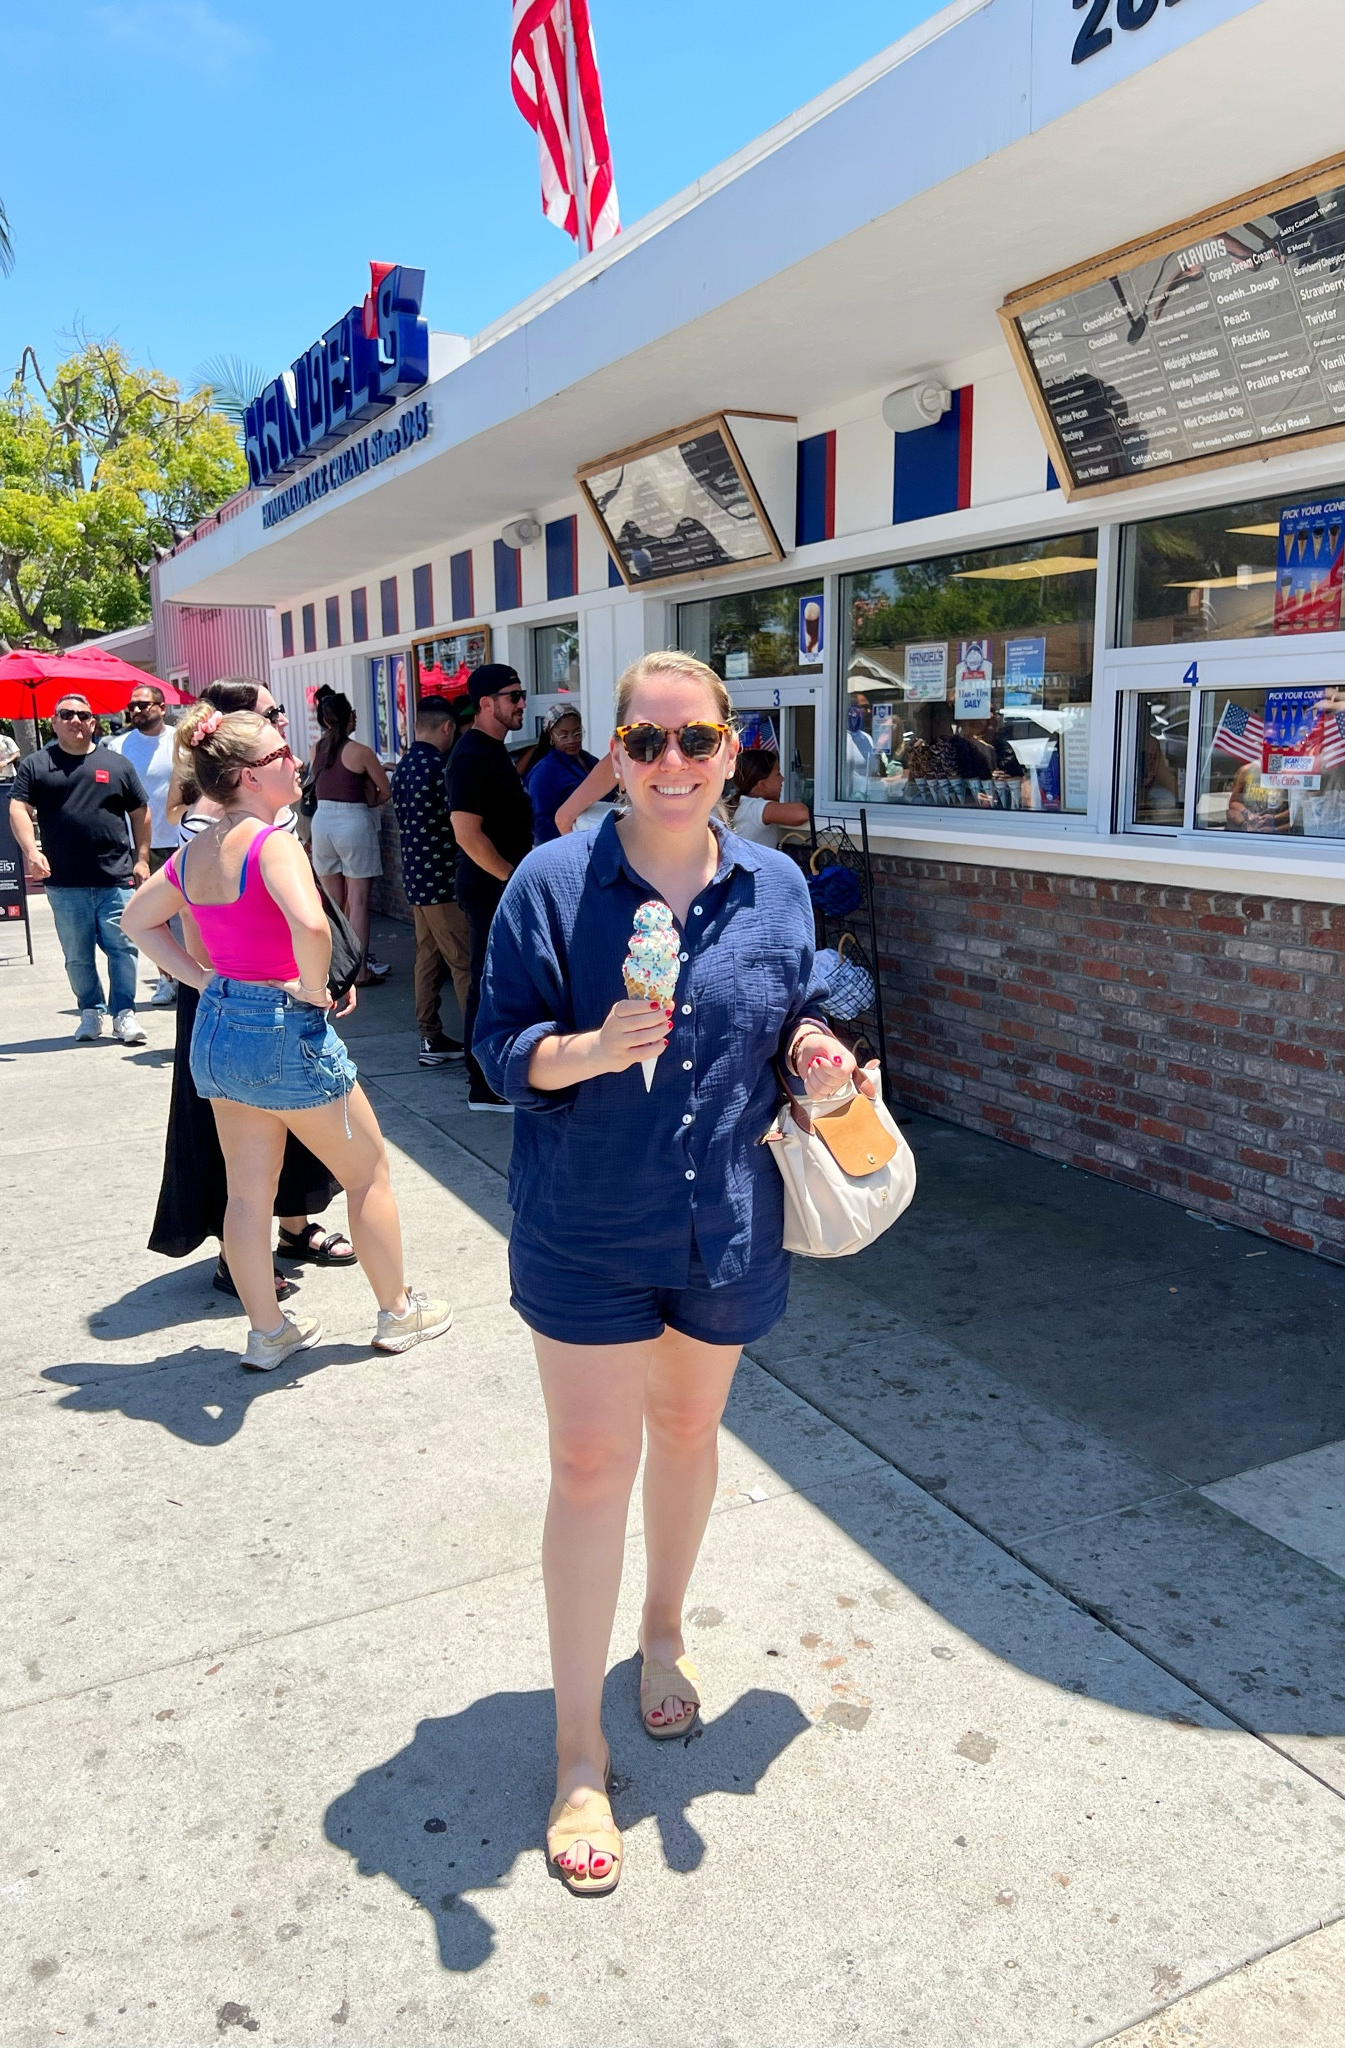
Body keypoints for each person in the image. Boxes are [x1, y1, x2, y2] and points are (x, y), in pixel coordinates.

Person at [474, 649, 877, 1896]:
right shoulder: (553, 880)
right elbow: (498, 1047)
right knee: (592, 1464)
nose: (670, 764)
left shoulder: (775, 884)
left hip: (723, 1222)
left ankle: (660, 1633)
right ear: (615, 752)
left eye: (694, 739)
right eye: (644, 742)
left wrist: (817, 1047)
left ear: (728, 747)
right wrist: (588, 1048)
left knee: (691, 1430)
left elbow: (810, 998)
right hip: (586, 1224)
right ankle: (576, 1752)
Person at [121, 703, 451, 1370]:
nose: (296, 761)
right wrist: (313, 987)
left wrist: (202, 979)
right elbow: (312, 924)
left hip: (220, 1031)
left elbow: (137, 919)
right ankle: (397, 1312)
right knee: (368, 1174)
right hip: (281, 1026)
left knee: (248, 1194)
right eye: (280, 754)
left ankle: (268, 1332)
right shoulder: (272, 843)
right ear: (248, 775)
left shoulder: (197, 848)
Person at [151, 677, 355, 1301]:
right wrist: (212, 980)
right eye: (271, 717)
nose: (284, 725)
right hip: (236, 989)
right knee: (237, 1138)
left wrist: (327, 975)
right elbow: (190, 913)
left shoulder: (271, 805)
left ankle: (293, 1226)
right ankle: (235, 1253)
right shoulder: (212, 819)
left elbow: (300, 904)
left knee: (293, 1118)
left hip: (281, 981)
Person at [10, 694, 151, 1045]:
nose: (75, 720)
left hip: (115, 877)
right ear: (54, 722)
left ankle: (124, 1013)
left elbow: (140, 812)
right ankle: (90, 1011)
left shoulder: (116, 764)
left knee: (123, 949)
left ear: (93, 723)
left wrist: (142, 858)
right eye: (67, 714)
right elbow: (18, 808)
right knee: (77, 955)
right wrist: (31, 851)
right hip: (64, 881)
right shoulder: (36, 765)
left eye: (83, 715)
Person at [445, 664, 533, 1111]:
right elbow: (467, 834)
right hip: (489, 887)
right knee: (487, 982)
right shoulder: (471, 755)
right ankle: (483, 1083)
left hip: (500, 884)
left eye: (522, 695)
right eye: (513, 696)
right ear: (485, 703)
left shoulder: (493, 750)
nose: (522, 704)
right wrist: (510, 878)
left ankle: (495, 1075)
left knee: (502, 980)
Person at [389, 697, 469, 1067]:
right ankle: (479, 1042)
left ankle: (430, 1036)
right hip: (444, 881)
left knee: (428, 959)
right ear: (447, 728)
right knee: (463, 962)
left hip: (416, 879)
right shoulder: (441, 767)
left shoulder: (404, 766)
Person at [308, 692, 390, 986]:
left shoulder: (316, 748)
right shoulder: (360, 752)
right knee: (357, 902)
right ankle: (360, 971)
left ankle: (332, 968)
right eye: (353, 713)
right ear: (347, 717)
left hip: (322, 822)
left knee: (332, 903)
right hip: (353, 822)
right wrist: (369, 799)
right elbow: (385, 791)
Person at [111, 682, 183, 1004]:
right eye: (132, 707)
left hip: (183, 838)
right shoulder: (118, 746)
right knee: (155, 916)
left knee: (191, 913)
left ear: (162, 708)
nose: (137, 711)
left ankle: (196, 973)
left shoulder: (181, 742)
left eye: (144, 705)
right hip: (141, 845)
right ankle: (166, 979)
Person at [524, 704, 599, 845]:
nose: (572, 740)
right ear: (551, 735)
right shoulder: (544, 772)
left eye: (577, 733)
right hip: (564, 845)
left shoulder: (591, 761)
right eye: (564, 735)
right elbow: (541, 824)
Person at [728, 748, 811, 847]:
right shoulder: (753, 807)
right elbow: (801, 814)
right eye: (778, 774)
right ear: (762, 785)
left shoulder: (743, 804)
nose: (782, 779)